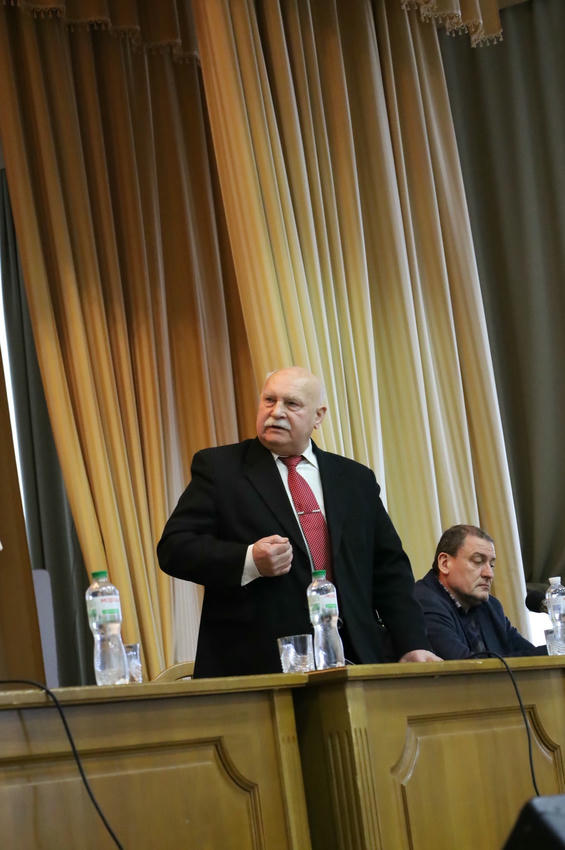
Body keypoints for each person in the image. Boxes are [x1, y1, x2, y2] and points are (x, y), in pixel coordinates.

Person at [157, 366, 440, 677]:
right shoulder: (220, 469)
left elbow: (389, 569)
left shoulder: (355, 479)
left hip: (354, 659)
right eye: (269, 400)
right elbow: (174, 548)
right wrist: (249, 560)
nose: (276, 412)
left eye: (291, 404)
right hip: (257, 665)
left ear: (318, 416)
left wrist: (412, 642)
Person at [414, 524, 547, 659]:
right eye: (478, 561)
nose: (489, 574)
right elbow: (463, 666)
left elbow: (531, 659)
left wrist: (556, 649)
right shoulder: (421, 602)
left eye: (491, 565)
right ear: (444, 563)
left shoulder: (491, 606)